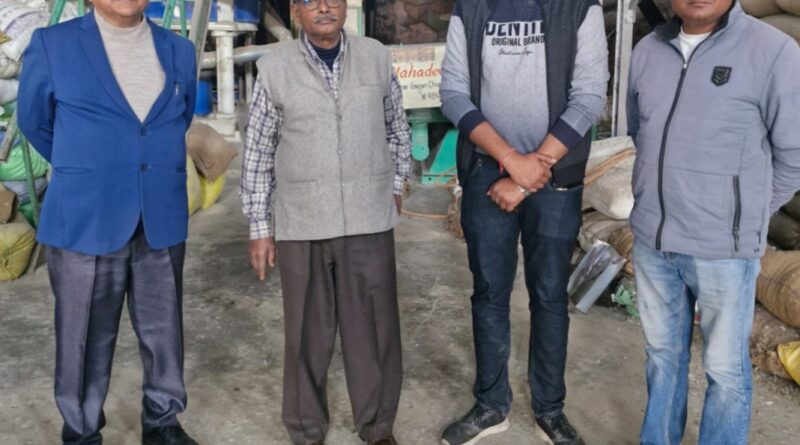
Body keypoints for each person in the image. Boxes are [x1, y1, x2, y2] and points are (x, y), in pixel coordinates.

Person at [17, 0, 198, 444]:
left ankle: (162, 422)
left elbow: (180, 118)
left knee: (164, 330)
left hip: (159, 213)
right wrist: (90, 167)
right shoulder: (53, 45)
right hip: (86, 215)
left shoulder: (178, 49)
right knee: (84, 335)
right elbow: (35, 121)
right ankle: (81, 431)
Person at [627, 1, 800, 444]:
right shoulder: (647, 51)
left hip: (724, 250)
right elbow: (641, 134)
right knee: (662, 356)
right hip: (653, 240)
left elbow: (794, 155)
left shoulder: (773, 51)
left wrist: (744, 216)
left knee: (724, 370)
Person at [239, 0, 412, 443]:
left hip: (368, 219)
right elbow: (258, 150)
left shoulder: (375, 57)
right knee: (306, 334)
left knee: (374, 330)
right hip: (302, 221)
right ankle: (306, 428)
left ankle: (377, 427)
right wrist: (260, 226)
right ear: (296, 11)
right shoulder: (275, 67)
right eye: (310, 0)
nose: (323, 7)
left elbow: (396, 126)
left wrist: (396, 181)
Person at [438, 0, 609, 444]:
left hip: (556, 176)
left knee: (549, 295)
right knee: (489, 292)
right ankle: (491, 405)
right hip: (486, 172)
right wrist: (511, 160)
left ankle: (549, 410)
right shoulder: (471, 8)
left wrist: (529, 172)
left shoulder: (578, 8)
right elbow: (454, 94)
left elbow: (589, 96)